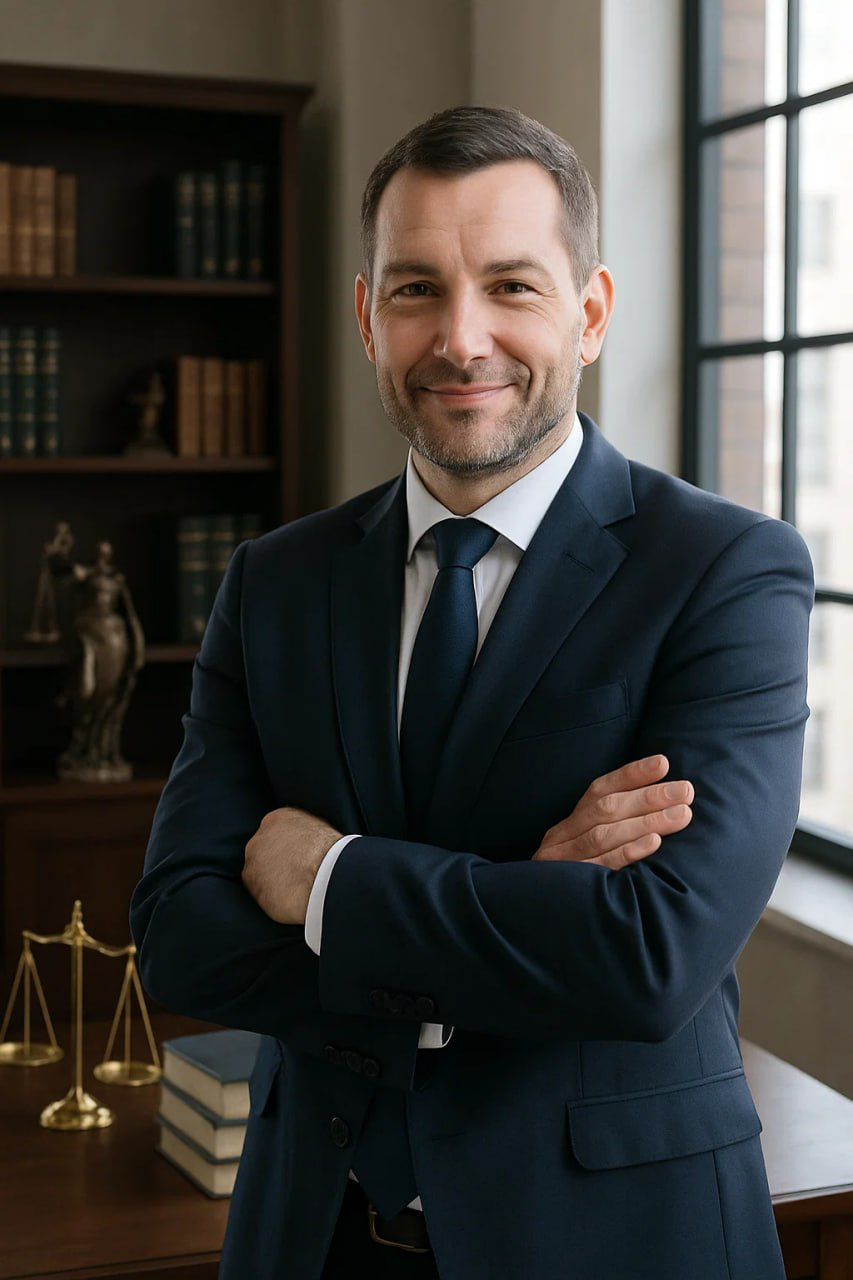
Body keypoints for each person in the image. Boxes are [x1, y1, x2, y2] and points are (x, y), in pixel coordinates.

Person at [130, 106, 812, 1279]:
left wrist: (329, 879)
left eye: (509, 285)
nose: (461, 337)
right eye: (414, 290)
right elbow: (182, 940)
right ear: (364, 316)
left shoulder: (725, 571)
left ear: (590, 313)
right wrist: (526, 905)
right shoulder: (275, 582)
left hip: (612, 1243)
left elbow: (648, 956)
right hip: (317, 1233)